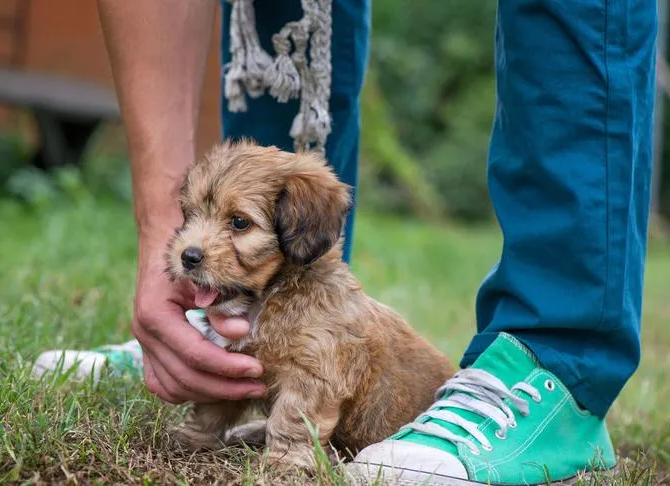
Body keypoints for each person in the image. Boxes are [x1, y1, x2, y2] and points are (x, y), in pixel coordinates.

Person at [34, 0, 657, 483]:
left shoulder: (306, 226)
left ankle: (555, 359)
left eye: (238, 223)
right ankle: (218, 335)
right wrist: (157, 231)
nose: (196, 240)